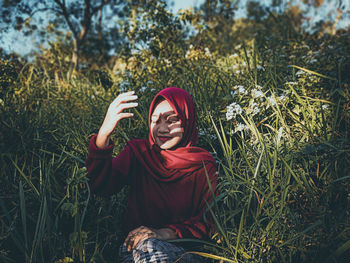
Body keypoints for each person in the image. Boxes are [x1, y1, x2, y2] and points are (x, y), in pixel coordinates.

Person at [85, 87, 218, 262]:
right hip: (138, 251)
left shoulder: (203, 165)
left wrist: (163, 234)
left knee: (152, 246)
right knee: (148, 247)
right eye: (156, 121)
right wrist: (103, 134)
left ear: (187, 120)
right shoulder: (138, 152)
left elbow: (209, 222)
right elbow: (100, 186)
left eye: (171, 120)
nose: (162, 129)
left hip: (186, 252)